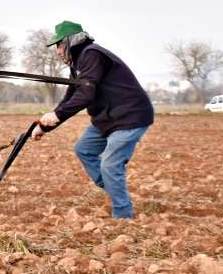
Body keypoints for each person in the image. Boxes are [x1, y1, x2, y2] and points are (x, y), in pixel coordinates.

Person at [32, 21, 154, 219]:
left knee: (109, 166)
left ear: (70, 41)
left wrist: (56, 116)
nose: (57, 51)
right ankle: (115, 188)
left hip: (130, 116)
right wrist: (44, 127)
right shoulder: (78, 64)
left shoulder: (92, 54)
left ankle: (123, 217)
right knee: (83, 149)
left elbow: (86, 94)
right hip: (108, 118)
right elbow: (71, 97)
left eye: (59, 45)